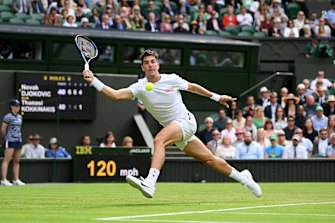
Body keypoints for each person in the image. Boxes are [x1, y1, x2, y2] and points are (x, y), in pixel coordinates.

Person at [82, 49, 262, 198]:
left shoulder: (172, 79)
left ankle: (150, 183)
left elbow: (193, 87)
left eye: (153, 61)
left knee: (159, 140)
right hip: (177, 130)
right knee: (209, 160)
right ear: (142, 67)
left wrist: (217, 97)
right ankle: (245, 178)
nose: (150, 65)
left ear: (158, 64)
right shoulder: (140, 87)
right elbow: (115, 95)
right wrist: (94, 81)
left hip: (186, 122)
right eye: (146, 63)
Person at [1, 99, 25, 186]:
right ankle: (3, 180)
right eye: (15, 106)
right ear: (11, 107)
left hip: (18, 140)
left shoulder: (20, 117)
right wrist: (6, 138)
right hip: (10, 140)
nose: (17, 108)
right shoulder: (7, 117)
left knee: (17, 161)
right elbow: (3, 129)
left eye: (18, 106)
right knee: (7, 160)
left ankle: (16, 179)